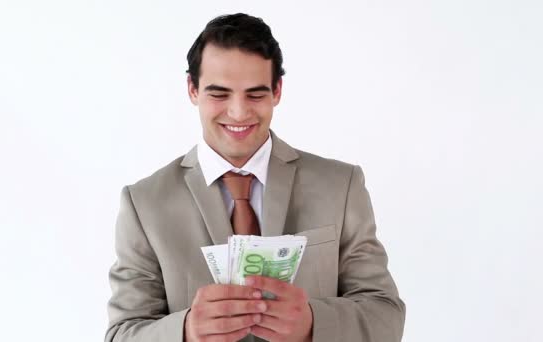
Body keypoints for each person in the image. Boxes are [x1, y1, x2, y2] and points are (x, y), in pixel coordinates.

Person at [105, 13, 405, 342]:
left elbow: (386, 314)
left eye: (255, 94)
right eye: (219, 94)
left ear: (277, 90)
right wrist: (186, 332)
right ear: (192, 89)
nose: (238, 112)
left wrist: (313, 324)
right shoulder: (144, 203)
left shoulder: (341, 185)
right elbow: (122, 333)